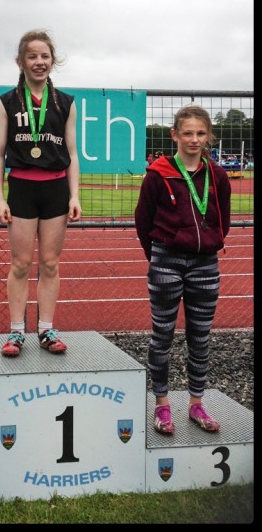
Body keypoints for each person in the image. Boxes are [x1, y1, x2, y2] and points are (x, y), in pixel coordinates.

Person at [135, 105, 231, 435]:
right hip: (167, 260)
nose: (194, 139)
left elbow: (223, 219)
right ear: (174, 135)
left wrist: (209, 242)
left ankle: (196, 403)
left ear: (208, 136)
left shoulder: (217, 176)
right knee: (162, 335)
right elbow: (143, 220)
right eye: (187, 133)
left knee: (200, 337)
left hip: (205, 262)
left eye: (201, 133)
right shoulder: (158, 174)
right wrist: (158, 255)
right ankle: (161, 404)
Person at [0, 29, 82, 357]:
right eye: (32, 56)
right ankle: (17, 331)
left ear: (52, 60)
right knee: (19, 263)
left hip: (55, 188)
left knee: (50, 263)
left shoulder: (66, 103)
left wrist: (74, 195)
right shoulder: (5, 103)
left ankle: (46, 329)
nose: (39, 62)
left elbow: (72, 153)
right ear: (21, 62)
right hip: (22, 188)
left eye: (45, 56)